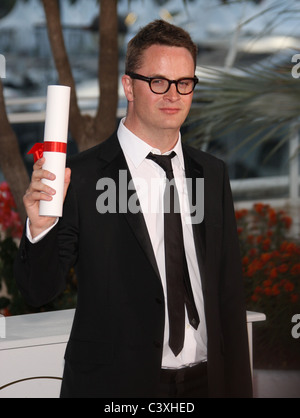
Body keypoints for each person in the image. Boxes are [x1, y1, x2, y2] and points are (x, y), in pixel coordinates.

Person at [15, 20, 253, 398]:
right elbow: (38, 291)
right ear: (129, 86)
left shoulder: (211, 172)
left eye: (184, 82)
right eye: (158, 81)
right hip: (118, 388)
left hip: (208, 382)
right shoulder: (84, 178)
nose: (173, 95)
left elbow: (228, 292)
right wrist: (40, 228)